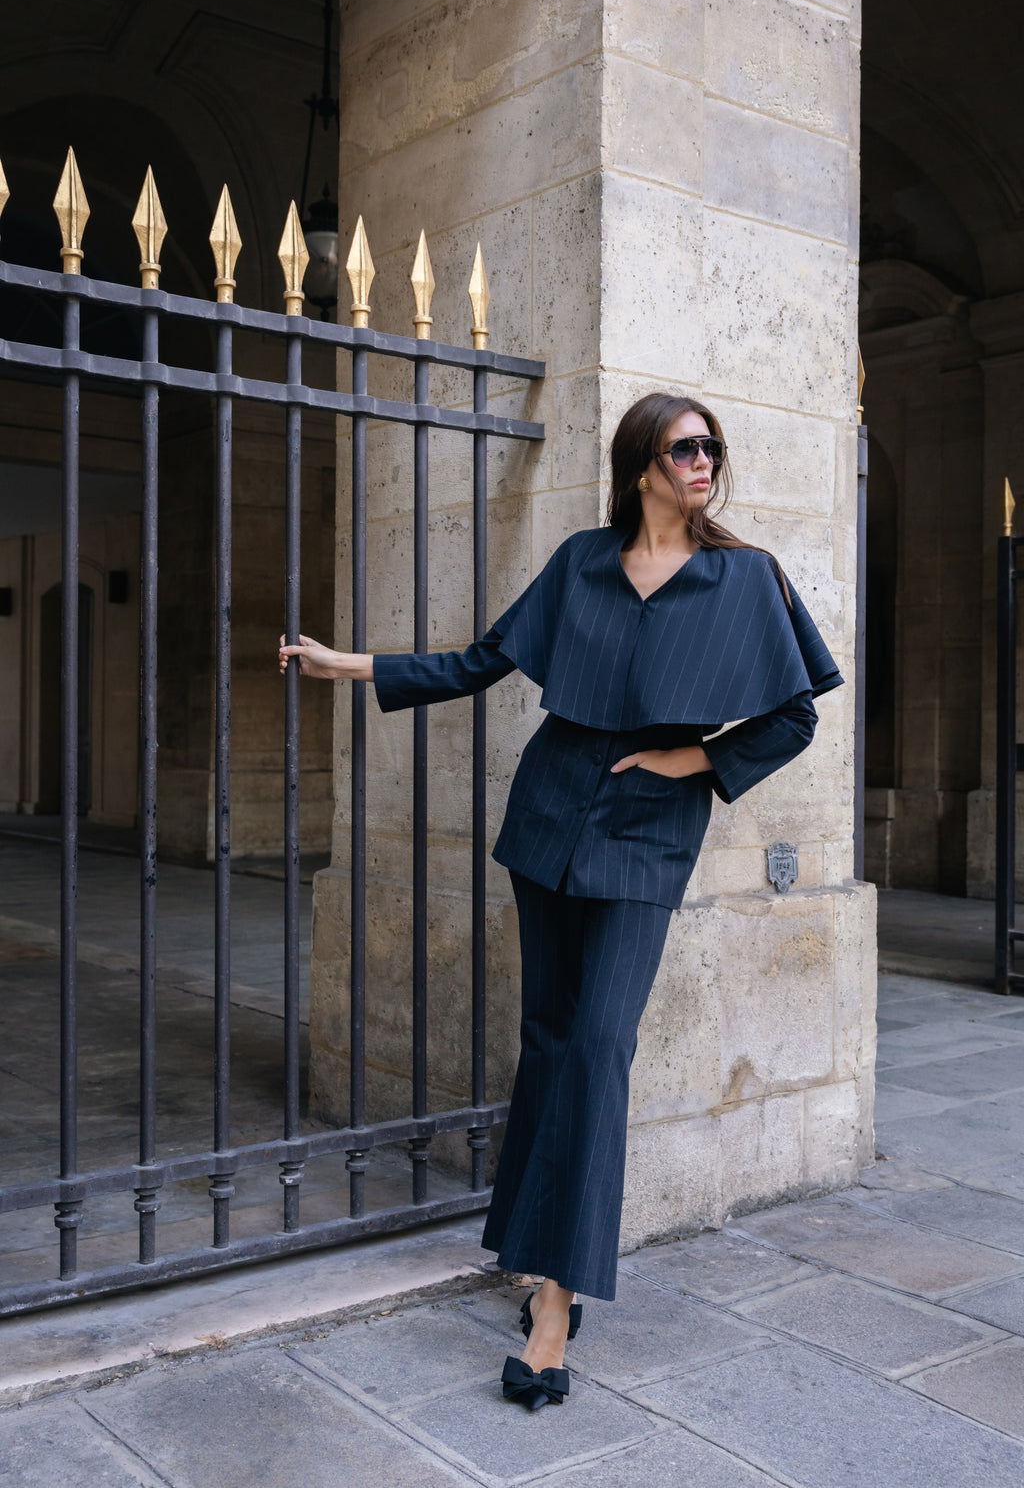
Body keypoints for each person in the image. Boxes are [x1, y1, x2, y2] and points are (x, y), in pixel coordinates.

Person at [278, 392, 842, 1412]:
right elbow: (482, 659)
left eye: (712, 447)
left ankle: (554, 1305)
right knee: (545, 1039)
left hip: (647, 832)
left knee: (597, 1047)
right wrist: (345, 664)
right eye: (685, 447)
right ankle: (530, 1250)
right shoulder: (584, 560)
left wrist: (690, 759)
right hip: (549, 815)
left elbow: (795, 712)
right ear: (643, 464)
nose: (704, 461)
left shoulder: (745, 575)